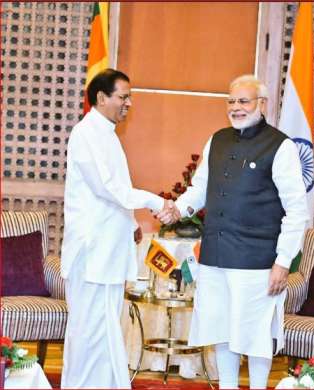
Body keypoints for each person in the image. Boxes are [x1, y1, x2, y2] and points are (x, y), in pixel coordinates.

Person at [157, 75, 309, 389]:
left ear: (262, 104)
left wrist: (282, 262)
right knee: (221, 329)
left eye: (244, 101)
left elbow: (297, 210)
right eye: (231, 101)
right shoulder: (218, 139)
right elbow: (199, 190)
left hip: (257, 261)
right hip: (214, 256)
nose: (236, 108)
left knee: (254, 335)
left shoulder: (280, 146)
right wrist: (178, 208)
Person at [61, 69, 168, 389]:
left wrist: (132, 222)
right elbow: (108, 188)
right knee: (88, 331)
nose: (129, 103)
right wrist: (157, 202)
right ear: (101, 98)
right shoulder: (86, 133)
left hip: (107, 250)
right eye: (123, 97)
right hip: (92, 252)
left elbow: (116, 191)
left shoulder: (106, 133)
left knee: (106, 328)